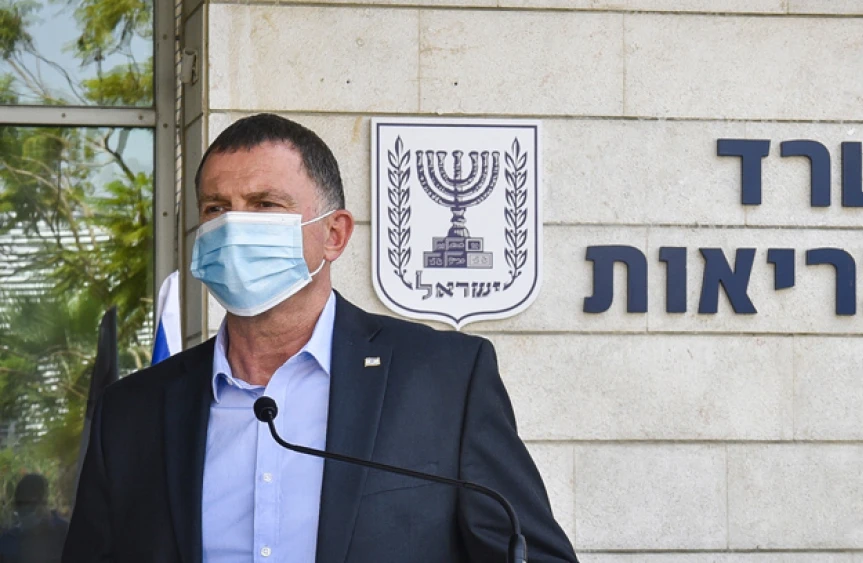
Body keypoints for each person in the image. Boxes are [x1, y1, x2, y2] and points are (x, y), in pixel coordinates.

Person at [63, 113, 577, 562]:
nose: (235, 226)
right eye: (216, 208)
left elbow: (528, 552)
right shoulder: (131, 413)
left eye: (265, 204)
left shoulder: (444, 381)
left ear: (334, 234)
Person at [0, 474, 68, 563]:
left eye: (30, 504)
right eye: (20, 505)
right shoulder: (8, 541)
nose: (24, 511)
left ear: (44, 502)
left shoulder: (65, 533)